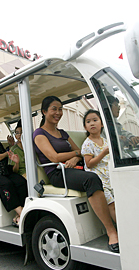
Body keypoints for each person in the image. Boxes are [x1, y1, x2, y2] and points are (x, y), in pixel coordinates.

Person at [33, 96, 119, 253]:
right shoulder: (39, 134)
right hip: (57, 173)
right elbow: (54, 158)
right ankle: (111, 231)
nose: (58, 112)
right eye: (54, 109)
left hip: (74, 168)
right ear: (44, 112)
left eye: (60, 109)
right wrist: (74, 154)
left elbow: (80, 152)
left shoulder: (62, 133)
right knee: (92, 179)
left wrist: (74, 156)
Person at [81, 110, 117, 223]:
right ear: (85, 127)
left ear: (102, 124)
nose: (92, 123)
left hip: (111, 178)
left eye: (95, 120)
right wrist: (103, 153)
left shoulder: (106, 141)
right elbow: (89, 163)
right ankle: (122, 231)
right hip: (100, 180)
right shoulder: (87, 144)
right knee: (112, 205)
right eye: (88, 121)